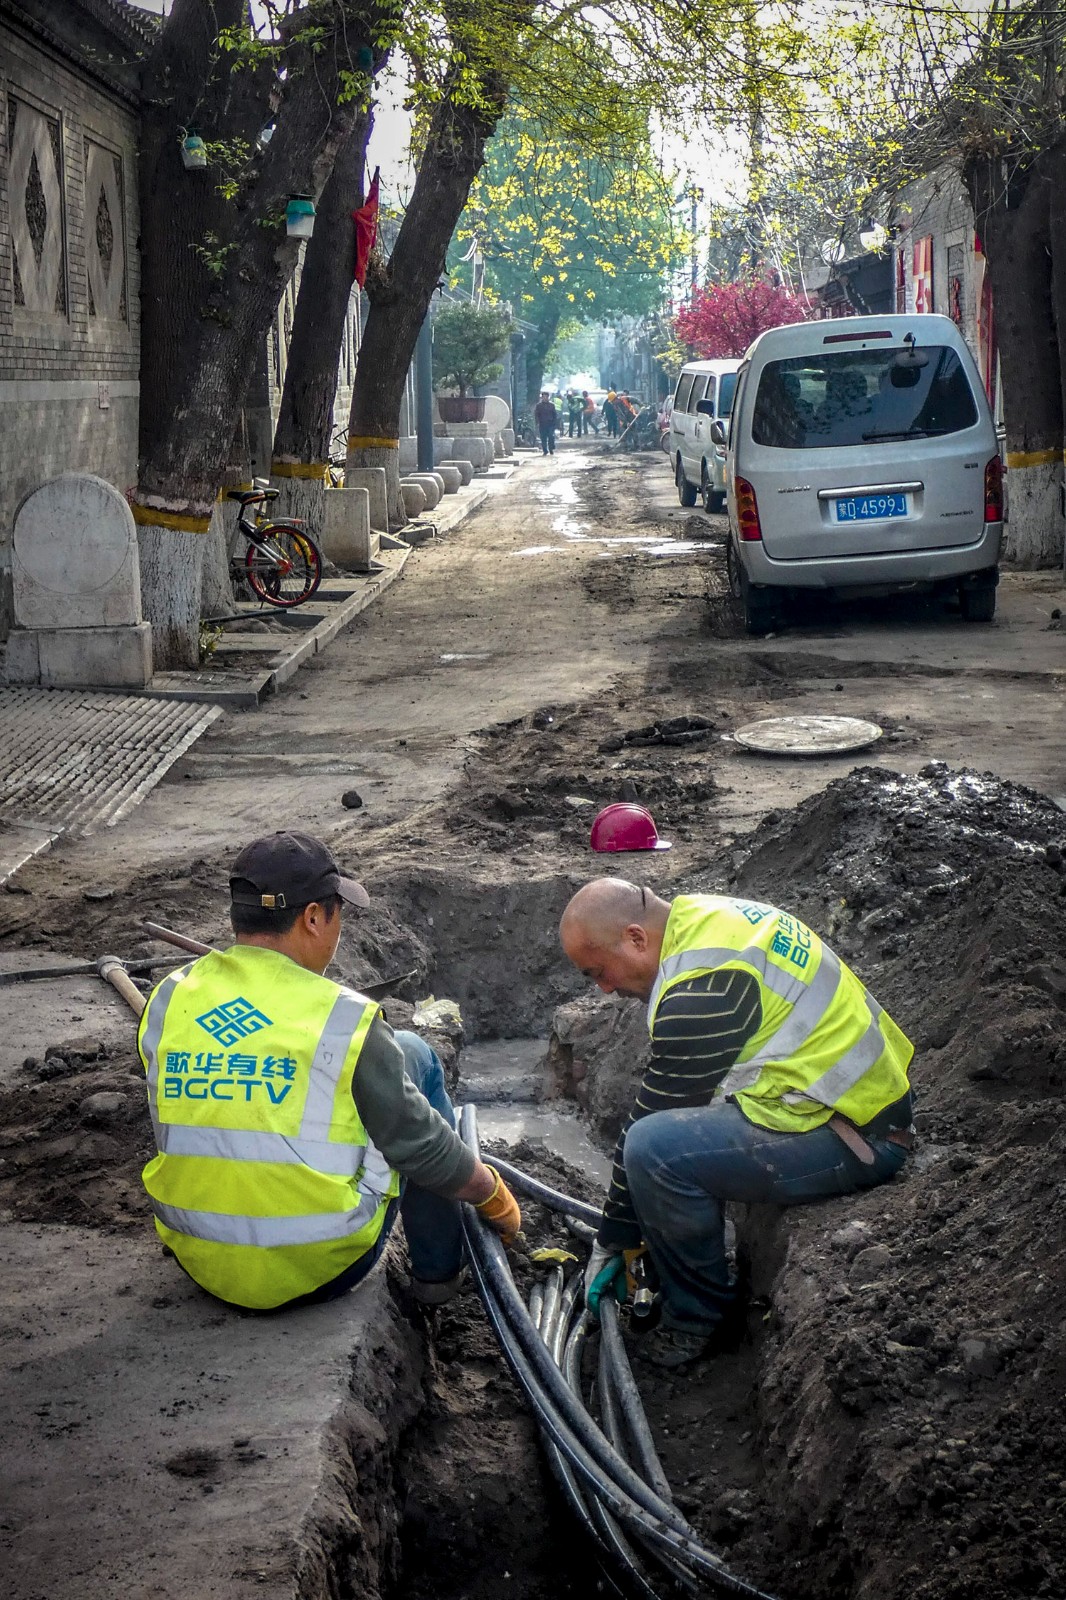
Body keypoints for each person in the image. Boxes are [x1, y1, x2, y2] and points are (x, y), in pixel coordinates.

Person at [138, 831, 520, 1311]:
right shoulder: (344, 1020)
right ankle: (438, 1277)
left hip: (198, 1253)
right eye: (338, 912)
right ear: (314, 917)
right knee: (415, 1055)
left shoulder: (170, 998)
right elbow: (423, 1148)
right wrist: (491, 1194)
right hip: (316, 1263)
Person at [559, 880, 914, 1369]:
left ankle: (698, 1318)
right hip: (857, 1103)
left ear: (636, 938)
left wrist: (614, 1237)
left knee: (654, 1151)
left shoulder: (704, 986)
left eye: (599, 971)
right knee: (667, 1144)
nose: (604, 988)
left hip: (855, 1137)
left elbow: (653, 1117)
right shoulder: (709, 920)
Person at [534, 391, 558, 455]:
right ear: (542, 397)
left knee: (551, 436)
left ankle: (551, 448)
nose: (545, 398)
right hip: (542, 423)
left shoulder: (551, 405)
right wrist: (537, 422)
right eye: (543, 397)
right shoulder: (539, 406)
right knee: (543, 438)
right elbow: (536, 415)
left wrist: (555, 423)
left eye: (546, 397)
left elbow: (555, 414)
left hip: (550, 423)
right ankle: (545, 450)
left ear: (548, 397)